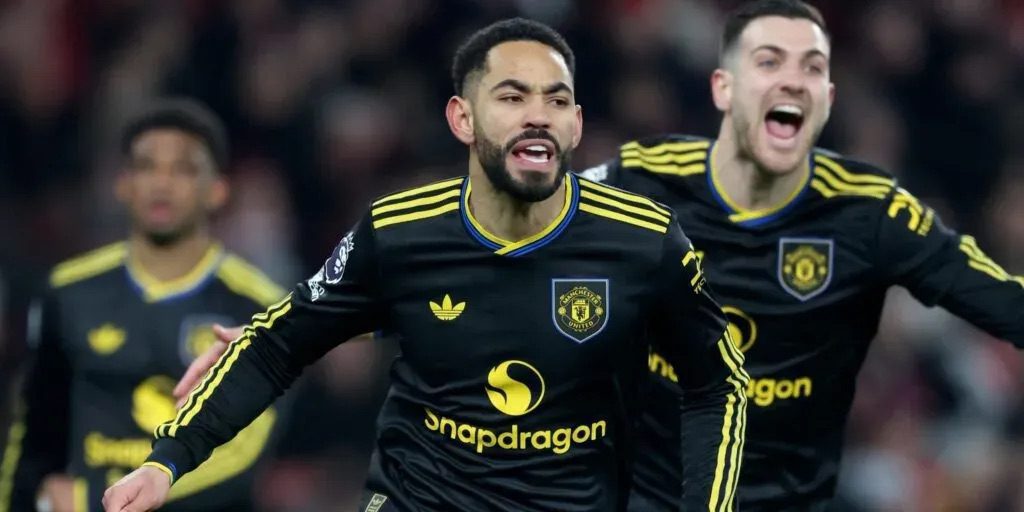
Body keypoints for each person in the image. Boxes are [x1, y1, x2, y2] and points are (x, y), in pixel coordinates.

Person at [101, 18, 749, 512]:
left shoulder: (643, 241)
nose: (536, 117)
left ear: (577, 125)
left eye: (556, 101)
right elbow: (280, 344)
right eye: (512, 97)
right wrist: (167, 462)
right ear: (462, 118)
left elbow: (717, 383)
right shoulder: (400, 232)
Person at [580, 1, 1024, 510]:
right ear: (723, 87)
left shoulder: (870, 212)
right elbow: (508, 231)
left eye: (811, 67)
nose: (792, 81)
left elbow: (1004, 301)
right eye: (769, 62)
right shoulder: (638, 180)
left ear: (827, 98)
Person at [0, 99, 286, 512]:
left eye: (183, 169)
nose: (161, 183)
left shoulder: (260, 305)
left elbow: (246, 453)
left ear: (218, 190)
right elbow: (33, 440)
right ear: (123, 183)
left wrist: (99, 499)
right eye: (147, 167)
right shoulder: (67, 291)